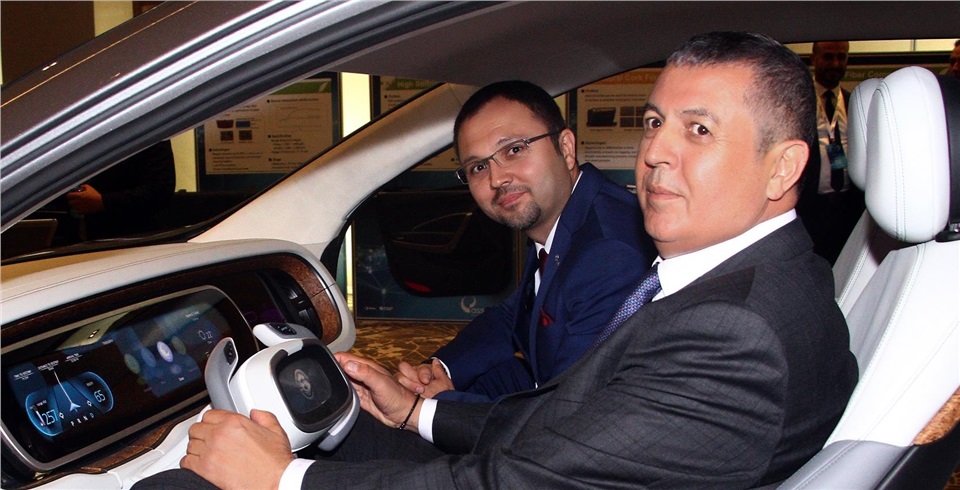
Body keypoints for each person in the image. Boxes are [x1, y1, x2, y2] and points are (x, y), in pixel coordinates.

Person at [137, 31, 858, 489]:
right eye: (653, 122)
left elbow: (525, 475)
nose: (656, 152)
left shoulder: (734, 332)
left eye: (698, 130)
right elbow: (573, 418)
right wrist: (421, 412)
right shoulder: (748, 278)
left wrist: (282, 480)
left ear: (782, 166)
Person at [394, 80, 654, 402]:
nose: (497, 179)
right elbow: (513, 317)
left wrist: (431, 409)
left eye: (514, 150)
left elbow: (569, 407)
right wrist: (437, 370)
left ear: (566, 148)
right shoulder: (566, 219)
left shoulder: (608, 253)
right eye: (478, 167)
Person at [797, 40, 865, 264]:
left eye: (841, 57)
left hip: (848, 209)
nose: (835, 63)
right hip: (810, 208)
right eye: (828, 57)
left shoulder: (856, 103)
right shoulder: (799, 104)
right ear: (814, 59)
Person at [65, 140, 176, 240]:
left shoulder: (149, 133)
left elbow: (159, 190)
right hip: (73, 235)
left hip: (133, 237)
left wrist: (103, 202)